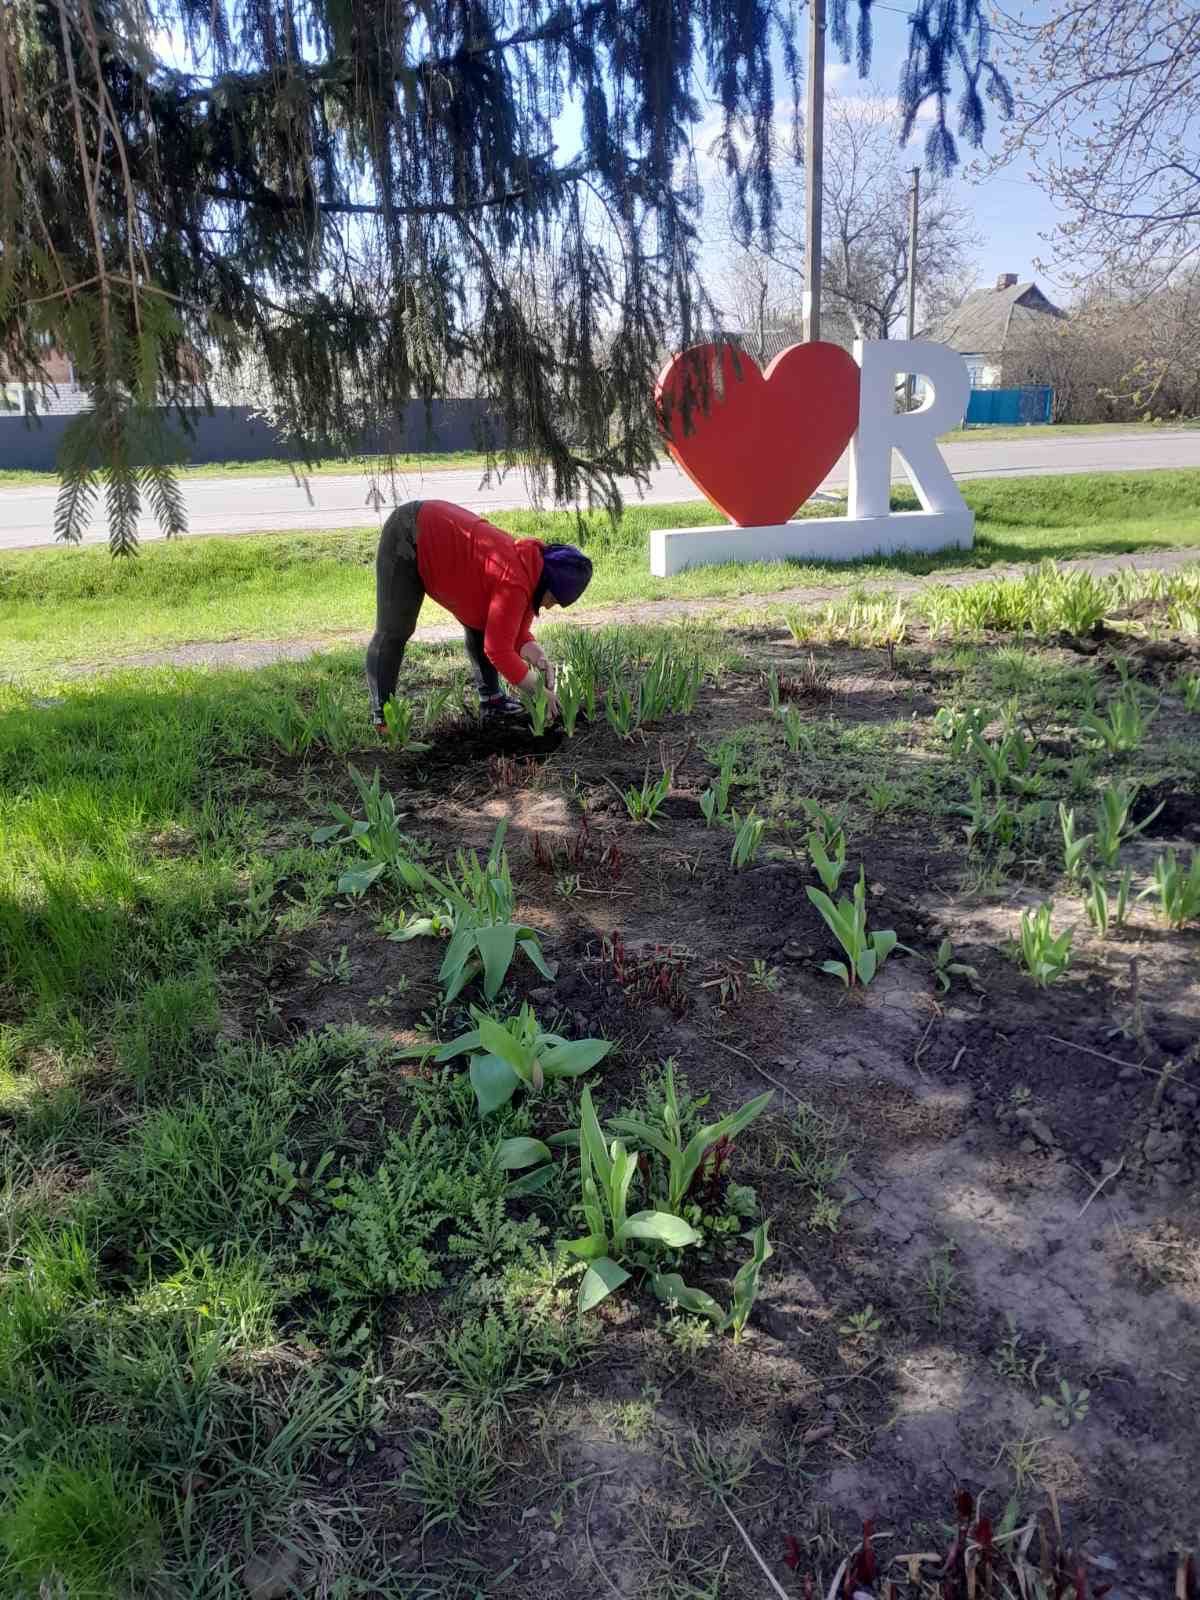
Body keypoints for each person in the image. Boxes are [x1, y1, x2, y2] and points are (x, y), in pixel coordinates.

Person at [366, 499, 593, 732]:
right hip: (410, 533)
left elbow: (511, 632)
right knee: (394, 630)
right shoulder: (515, 581)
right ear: (548, 583)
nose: (550, 607)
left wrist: (537, 655)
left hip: (438, 538)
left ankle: (492, 701)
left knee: (484, 622)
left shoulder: (531, 569)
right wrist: (538, 691)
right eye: (554, 600)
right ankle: (383, 718)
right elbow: (499, 650)